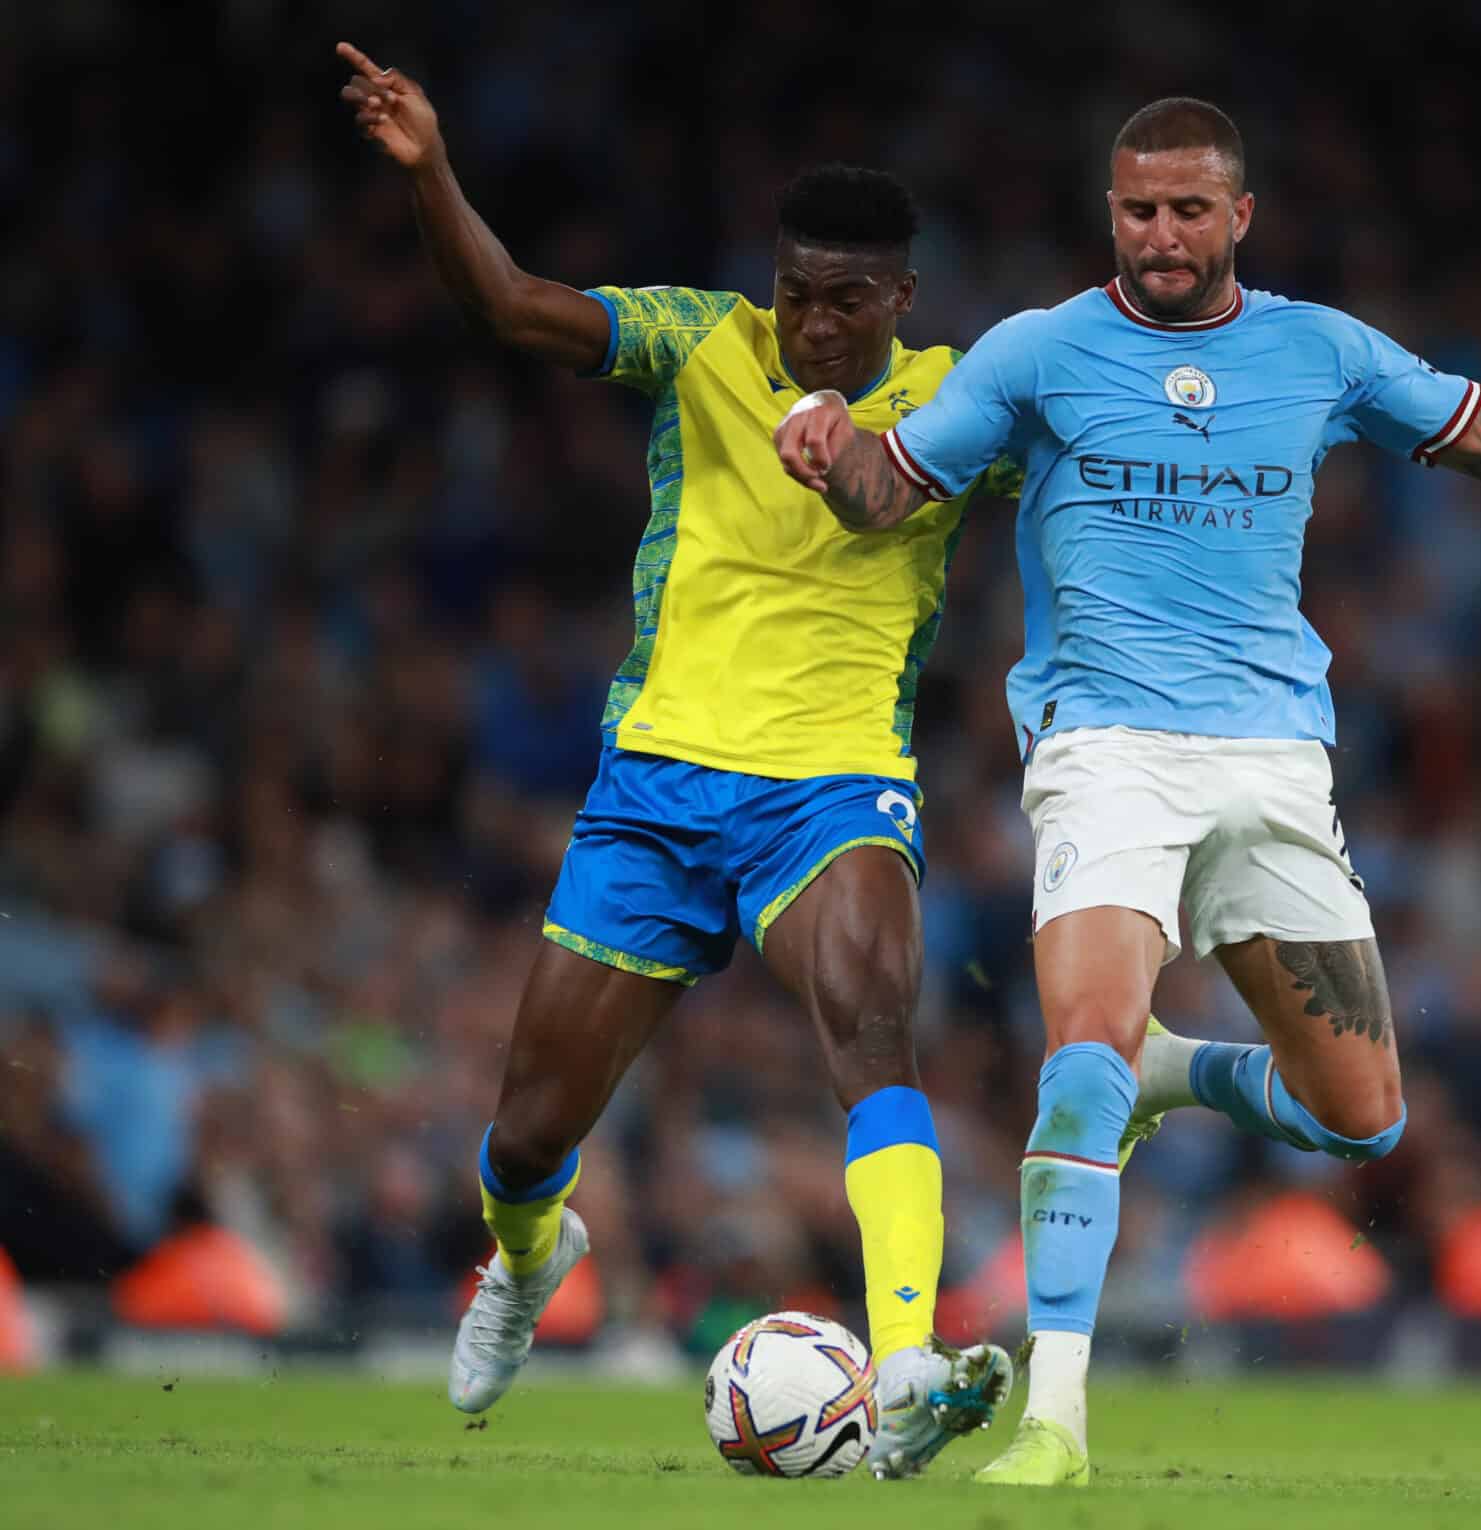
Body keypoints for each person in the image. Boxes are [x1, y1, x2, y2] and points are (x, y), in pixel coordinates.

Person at [774, 96, 1481, 1486]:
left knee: (1363, 1116)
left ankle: (1167, 1073)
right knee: (1078, 1050)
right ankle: (1054, 1421)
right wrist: (832, 454)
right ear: (1111, 213)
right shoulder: (1040, 351)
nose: (1163, 234)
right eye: (1140, 209)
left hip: (1272, 762)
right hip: (1105, 751)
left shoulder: (1321, 350)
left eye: (1190, 209)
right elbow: (894, 489)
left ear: (1239, 214)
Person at [334, 42, 1017, 1477]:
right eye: (796, 293)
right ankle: (528, 1257)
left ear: (900, 297)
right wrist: (433, 172)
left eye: (846, 300)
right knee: (525, 1133)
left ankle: (903, 1367)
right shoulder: (698, 339)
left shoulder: (961, 395)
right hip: (653, 786)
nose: (814, 325)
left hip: (833, 786)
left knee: (874, 1021)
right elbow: (515, 307)